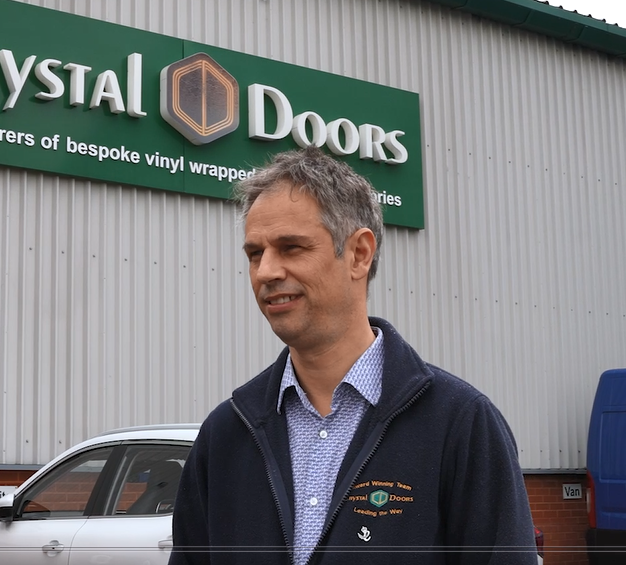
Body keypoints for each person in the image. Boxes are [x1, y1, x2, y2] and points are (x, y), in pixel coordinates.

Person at [170, 146, 537, 564]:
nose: (266, 271)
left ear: (359, 254)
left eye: (291, 248)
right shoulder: (225, 435)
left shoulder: (461, 424)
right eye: (255, 254)